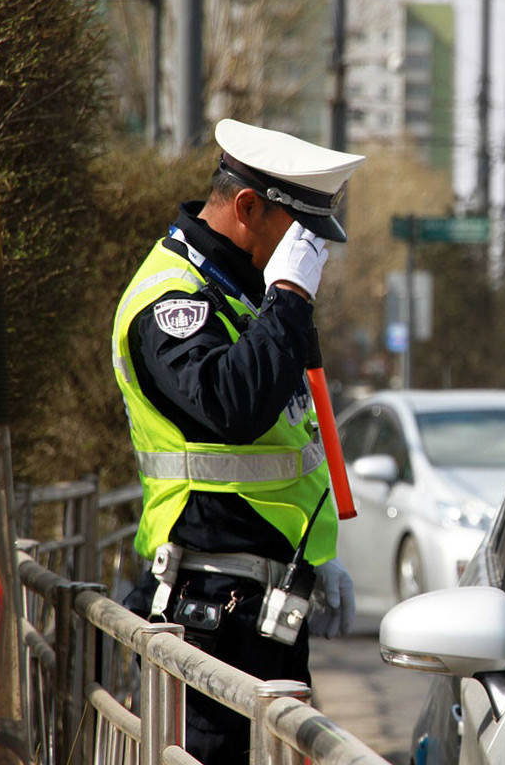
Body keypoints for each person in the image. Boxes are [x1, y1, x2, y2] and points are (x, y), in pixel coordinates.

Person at [113, 118, 365, 762]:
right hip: (207, 615)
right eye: (298, 233)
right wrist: (287, 295)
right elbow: (231, 405)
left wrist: (311, 559)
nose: (306, 254)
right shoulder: (171, 300)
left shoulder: (239, 293)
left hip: (261, 607)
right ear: (248, 206)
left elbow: (294, 434)